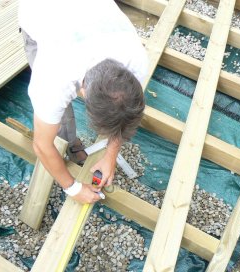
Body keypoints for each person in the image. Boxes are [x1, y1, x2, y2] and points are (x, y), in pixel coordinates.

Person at [18, 0, 148, 204]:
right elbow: (42, 145)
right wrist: (73, 188)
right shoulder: (53, 77)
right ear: (84, 92)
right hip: (38, 9)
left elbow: (125, 115)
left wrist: (111, 156)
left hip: (89, 14)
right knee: (57, 116)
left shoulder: (136, 60)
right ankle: (68, 142)